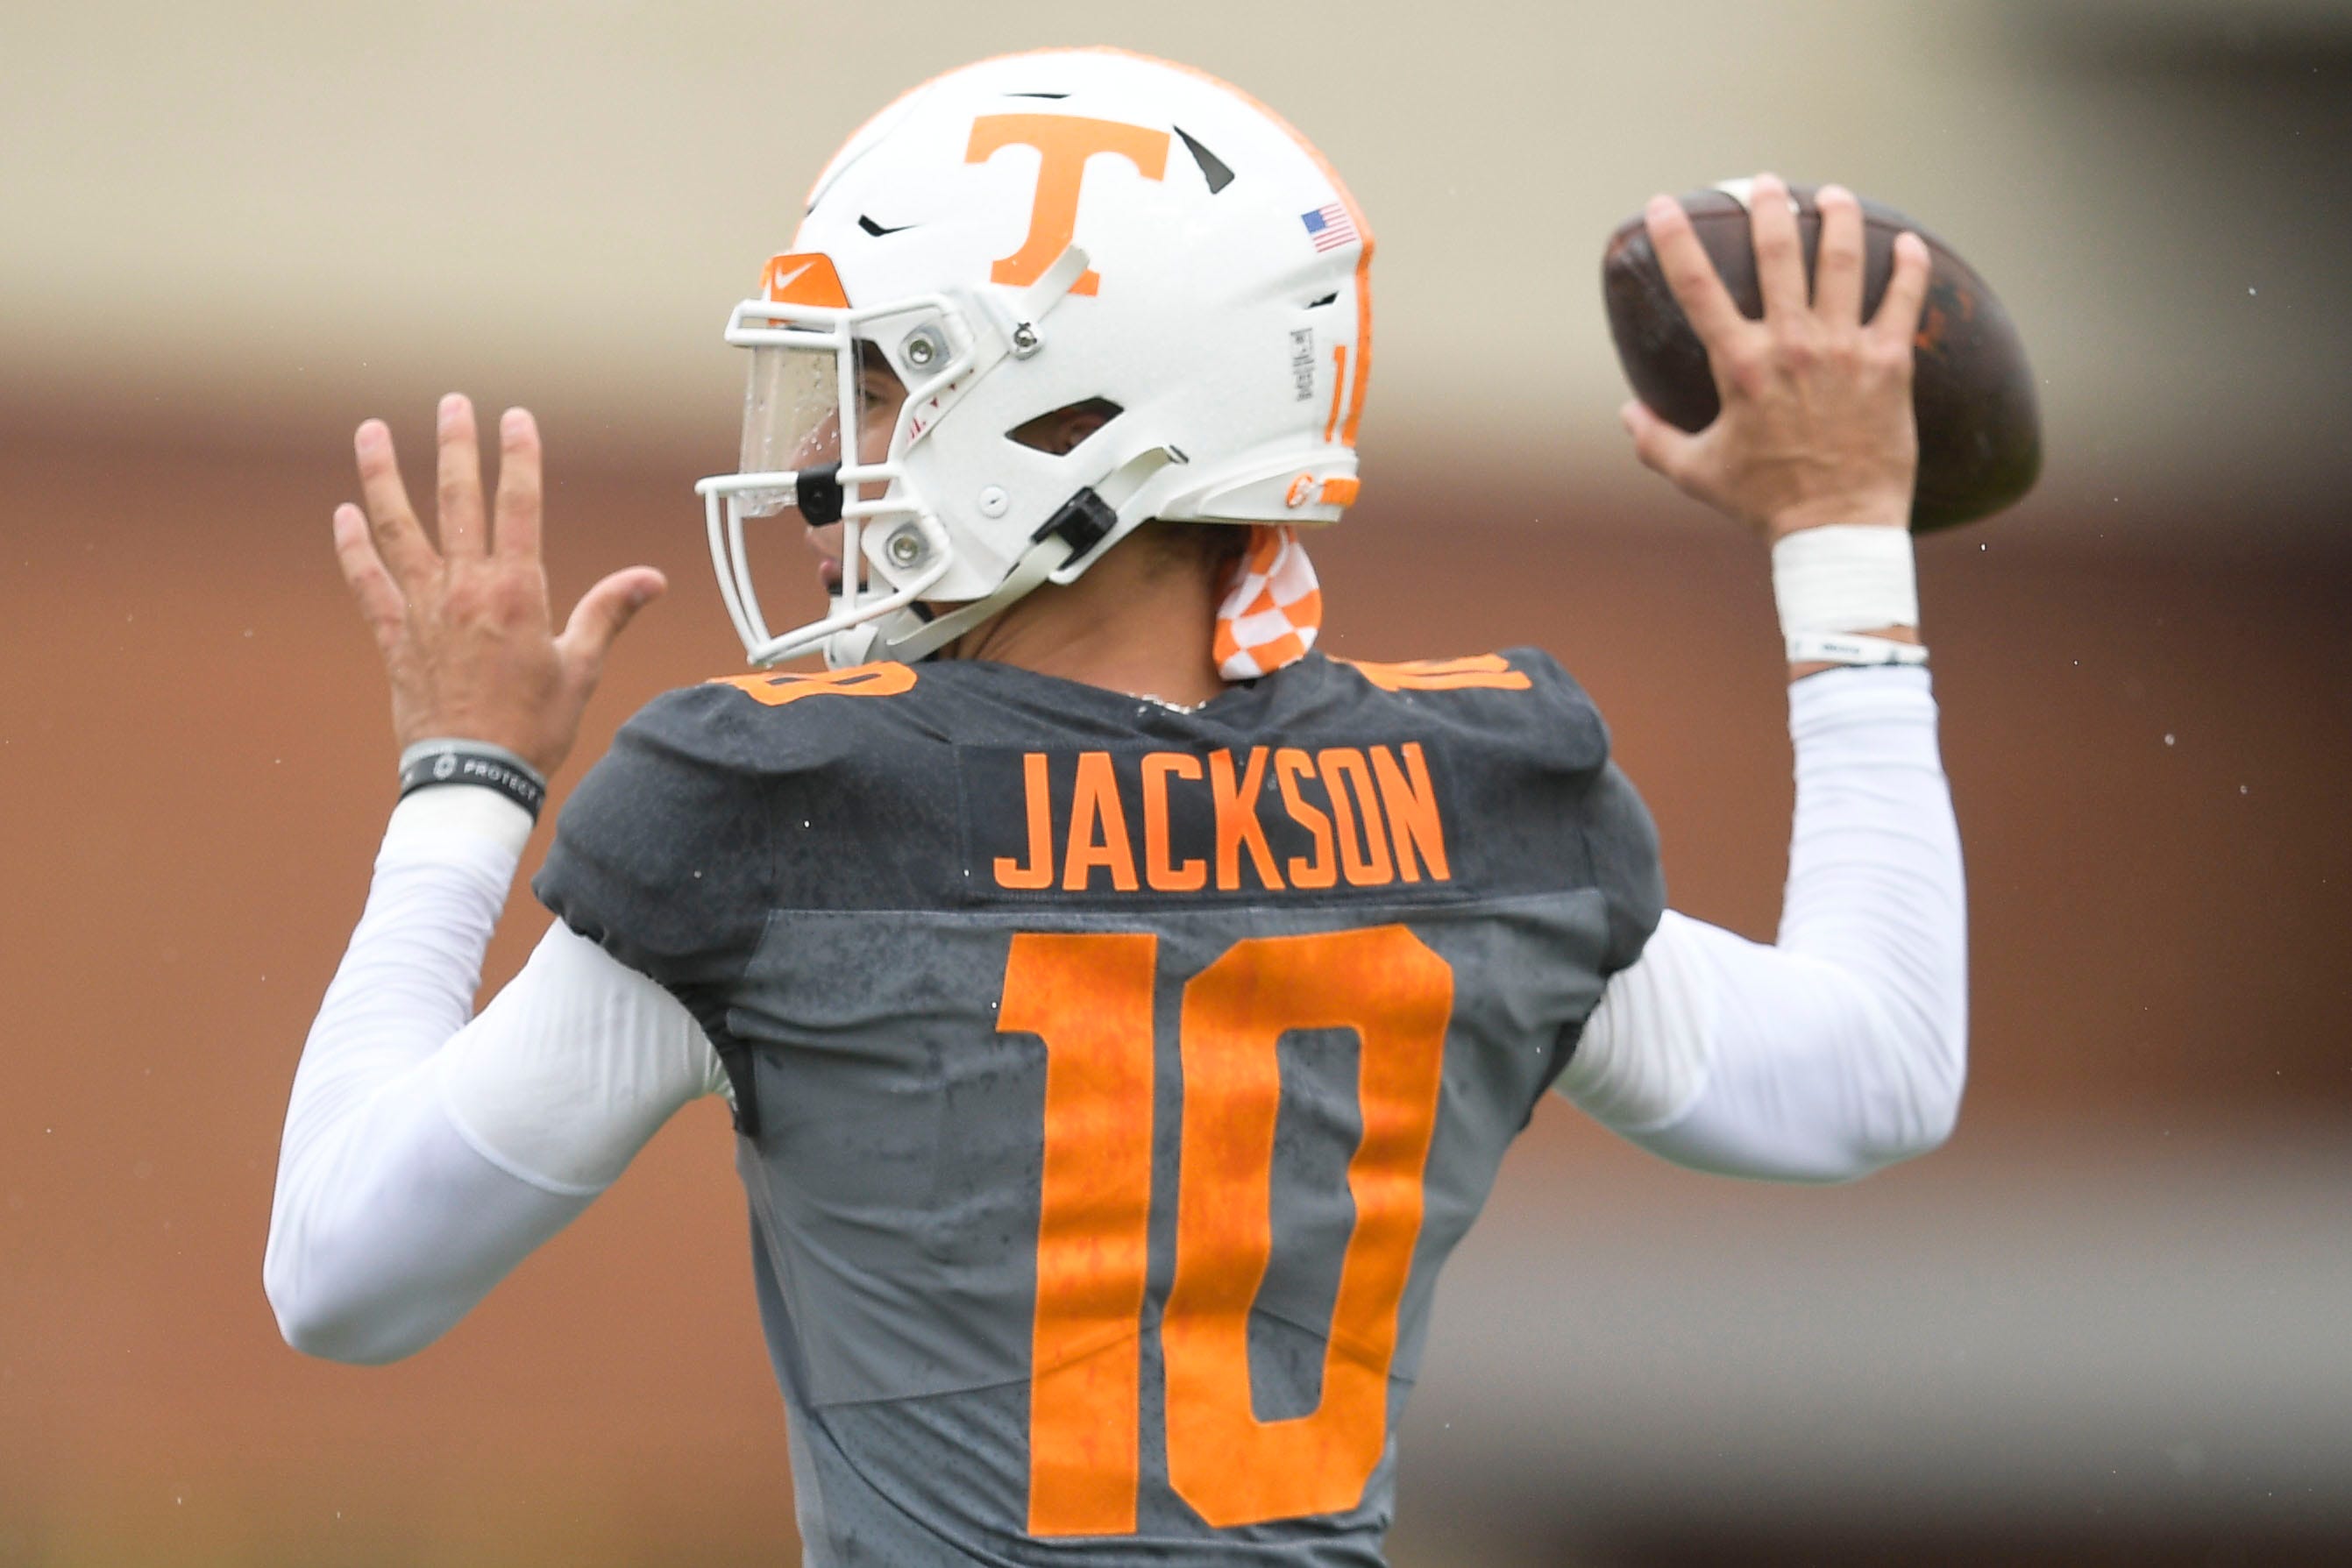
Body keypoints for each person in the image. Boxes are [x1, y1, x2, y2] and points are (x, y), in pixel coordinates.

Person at [265, 47, 1965, 1565]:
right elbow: (1873, 1072)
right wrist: (1839, 531)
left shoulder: (789, 811)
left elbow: (343, 1273)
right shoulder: (1475, 804)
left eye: (877, 384)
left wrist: (462, 784)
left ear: (1070, 412)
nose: (824, 461)